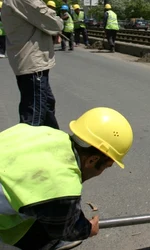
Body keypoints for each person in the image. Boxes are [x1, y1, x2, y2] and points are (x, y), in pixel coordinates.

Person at [0, 107, 134, 250]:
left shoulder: (44, 132)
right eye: (105, 167)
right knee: (53, 224)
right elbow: (67, 229)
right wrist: (88, 229)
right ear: (92, 160)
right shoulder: (61, 186)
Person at [1, 0, 64, 129]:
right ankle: (29, 147)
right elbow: (55, 23)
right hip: (33, 63)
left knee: (46, 107)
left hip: (30, 63)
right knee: (34, 117)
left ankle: (54, 144)